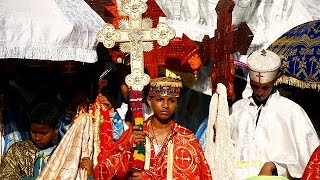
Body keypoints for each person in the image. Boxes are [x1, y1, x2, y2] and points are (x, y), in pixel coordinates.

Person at [96, 77, 212, 179]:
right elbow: (110, 172)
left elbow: (195, 176)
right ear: (149, 101)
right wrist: (129, 147)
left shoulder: (187, 139)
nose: (165, 105)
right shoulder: (136, 133)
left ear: (177, 104)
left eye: (171, 100)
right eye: (159, 100)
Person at [230, 49, 320, 179]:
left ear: (276, 79)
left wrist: (274, 166)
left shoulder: (292, 111)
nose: (259, 92)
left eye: (265, 87)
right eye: (255, 86)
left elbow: (310, 160)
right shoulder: (237, 109)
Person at [0, 103, 60, 179]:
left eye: (43, 133)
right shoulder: (18, 150)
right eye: (34, 132)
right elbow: (5, 176)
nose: (37, 138)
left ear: (55, 129)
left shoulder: (60, 153)